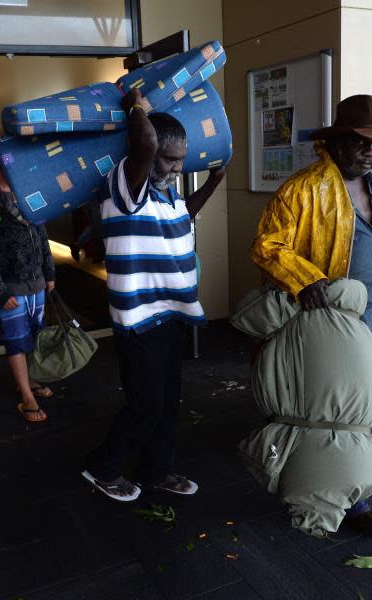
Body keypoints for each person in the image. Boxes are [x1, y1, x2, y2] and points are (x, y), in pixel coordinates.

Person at [250, 94, 372, 535]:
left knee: (359, 409)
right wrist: (305, 279)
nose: (371, 151)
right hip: (324, 324)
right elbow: (268, 245)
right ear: (337, 142)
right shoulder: (304, 188)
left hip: (365, 318)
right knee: (328, 412)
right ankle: (328, 496)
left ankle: (348, 490)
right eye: (362, 142)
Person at [82, 89, 226, 502]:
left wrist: (214, 181)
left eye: (182, 159)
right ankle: (102, 467)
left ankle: (156, 470)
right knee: (145, 406)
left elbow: (185, 216)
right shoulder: (126, 183)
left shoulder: (166, 193)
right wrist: (136, 104)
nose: (178, 168)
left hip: (170, 313)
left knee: (167, 404)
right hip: (138, 318)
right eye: (170, 159)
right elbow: (145, 141)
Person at [0, 140, 56, 423]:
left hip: (36, 279)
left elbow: (41, 231)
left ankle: (32, 379)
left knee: (36, 334)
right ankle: (26, 396)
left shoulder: (27, 190)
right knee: (16, 339)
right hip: (9, 283)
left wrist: (49, 272)